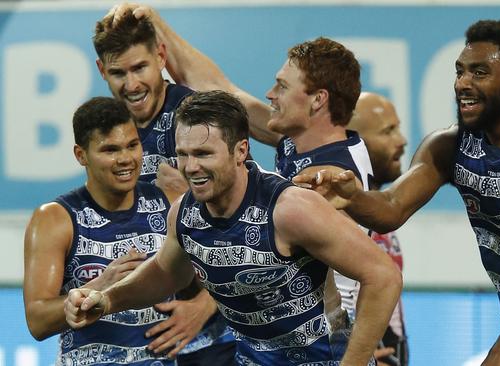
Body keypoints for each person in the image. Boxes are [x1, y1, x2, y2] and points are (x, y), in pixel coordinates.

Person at [295, 20, 500, 365]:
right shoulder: (449, 145)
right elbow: (391, 209)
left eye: (480, 72)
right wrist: (351, 196)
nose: (463, 83)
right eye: (460, 71)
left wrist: (499, 357)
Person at [63, 90, 402, 366]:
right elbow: (167, 273)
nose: (191, 168)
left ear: (241, 151)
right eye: (183, 154)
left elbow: (382, 276)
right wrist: (106, 299)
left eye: (203, 154)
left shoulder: (291, 209)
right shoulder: (184, 213)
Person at [108, 3, 376, 338]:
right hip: (283, 335)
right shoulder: (299, 141)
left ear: (317, 100)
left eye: (282, 87)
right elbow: (218, 88)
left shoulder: (333, 172)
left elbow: (265, 261)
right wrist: (153, 20)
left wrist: (190, 201)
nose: (270, 95)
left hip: (324, 335)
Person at [93, 9, 236, 364]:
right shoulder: (109, 132)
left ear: (160, 56)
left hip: (218, 336)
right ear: (101, 71)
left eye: (139, 68)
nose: (131, 85)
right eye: (117, 73)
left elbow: (254, 222)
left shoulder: (199, 117)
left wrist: (204, 307)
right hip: (146, 340)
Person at [23, 96, 192, 365]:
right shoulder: (55, 219)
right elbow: (37, 321)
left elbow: (209, 276)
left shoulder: (170, 203)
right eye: (110, 150)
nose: (125, 159)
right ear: (81, 155)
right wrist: (101, 285)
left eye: (132, 145)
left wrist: (201, 306)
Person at [347, 92, 409, 366]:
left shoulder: (379, 212)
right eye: (388, 131)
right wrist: (358, 357)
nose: (403, 140)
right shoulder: (338, 213)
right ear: (355, 143)